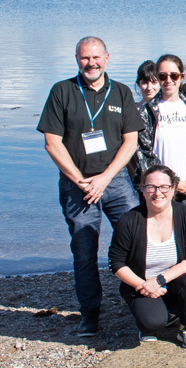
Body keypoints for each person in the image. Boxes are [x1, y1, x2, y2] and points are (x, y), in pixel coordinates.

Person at [37, 36, 145, 336]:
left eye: (96, 57)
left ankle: (139, 302)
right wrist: (80, 180)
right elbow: (52, 142)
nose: (91, 63)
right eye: (85, 58)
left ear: (107, 58)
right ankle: (90, 313)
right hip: (77, 186)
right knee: (84, 251)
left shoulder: (121, 92)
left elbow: (131, 141)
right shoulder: (62, 91)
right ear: (77, 59)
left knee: (137, 241)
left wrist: (105, 177)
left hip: (116, 182)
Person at [108, 165, 186, 348]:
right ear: (142, 189)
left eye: (164, 187)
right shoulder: (129, 220)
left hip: (172, 280)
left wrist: (159, 280)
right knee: (152, 323)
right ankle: (153, 313)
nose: (157, 193)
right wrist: (143, 285)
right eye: (151, 187)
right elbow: (116, 262)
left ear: (173, 189)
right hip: (141, 284)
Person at [135, 54, 186, 213]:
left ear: (182, 77)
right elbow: (144, 153)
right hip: (160, 191)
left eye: (174, 75)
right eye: (162, 76)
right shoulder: (147, 111)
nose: (168, 80)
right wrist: (173, 181)